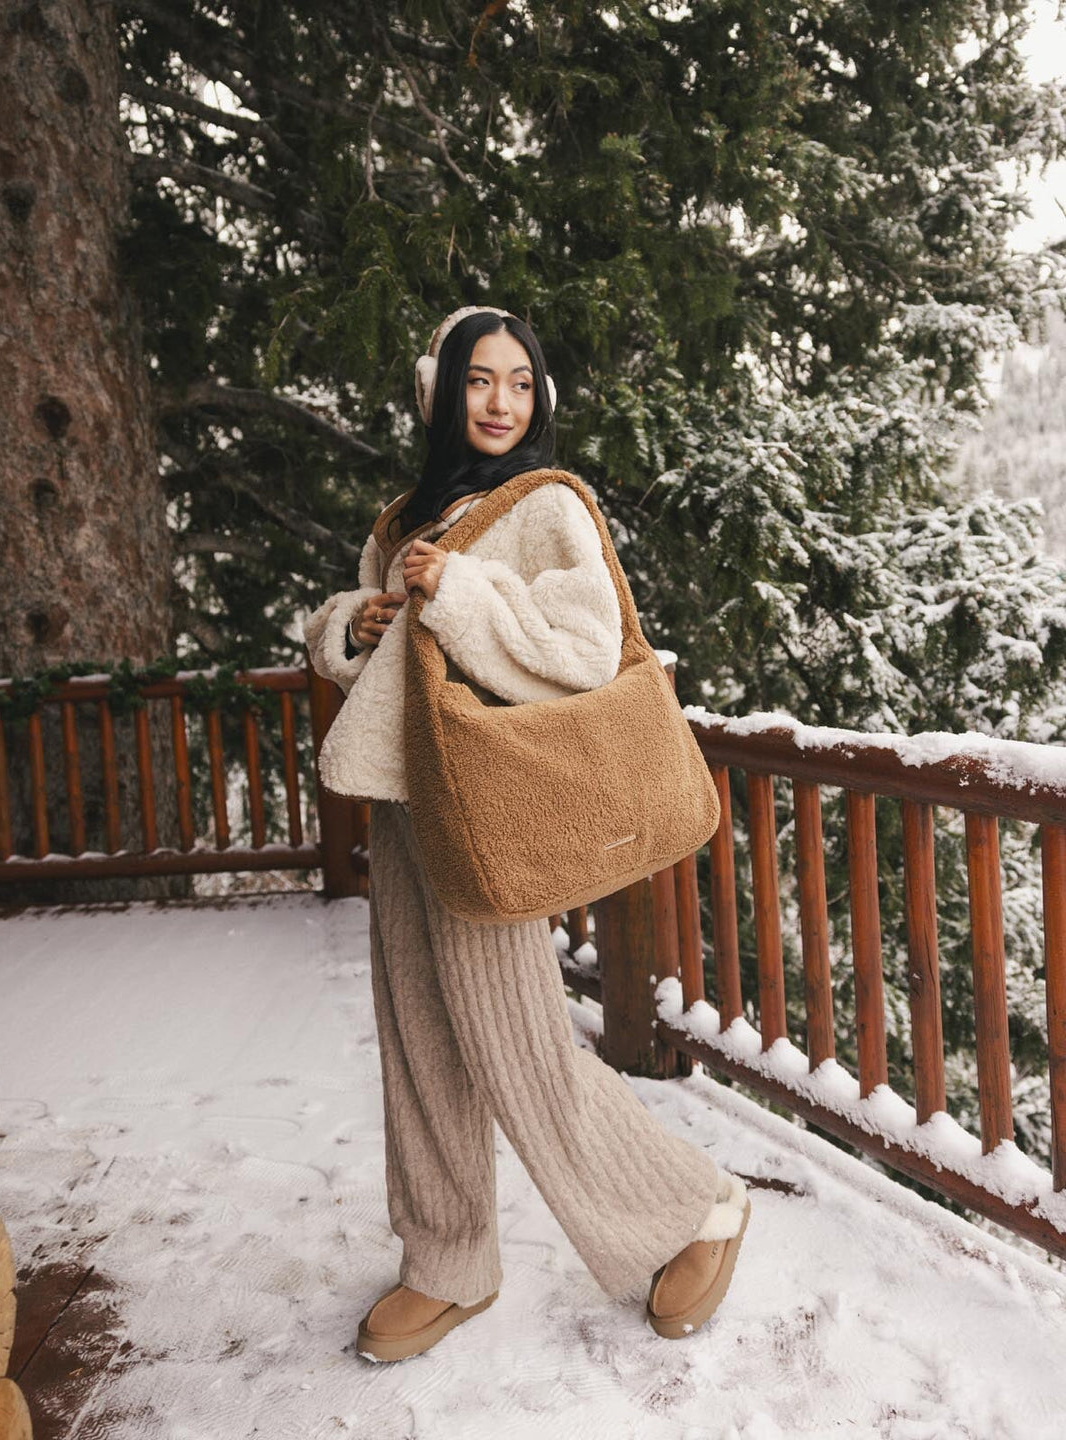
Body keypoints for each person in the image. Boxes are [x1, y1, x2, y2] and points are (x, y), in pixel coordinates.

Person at [303, 305, 751, 1363]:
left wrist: (455, 586)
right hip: (404, 805)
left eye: (519, 381)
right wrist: (351, 623)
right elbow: (372, 644)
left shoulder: (546, 506)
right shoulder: (402, 514)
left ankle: (690, 1211)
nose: (502, 401)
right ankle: (446, 1259)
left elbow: (585, 650)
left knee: (518, 1046)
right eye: (478, 381)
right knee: (421, 1042)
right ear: (441, 392)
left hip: (487, 807)